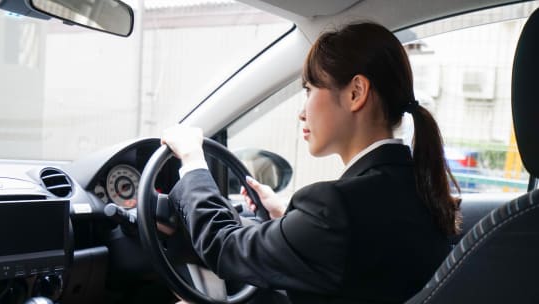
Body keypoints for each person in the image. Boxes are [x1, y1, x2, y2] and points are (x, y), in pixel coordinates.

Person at [161, 22, 462, 304]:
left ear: (356, 93)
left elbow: (223, 247)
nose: (302, 112)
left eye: (309, 90)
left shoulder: (335, 207)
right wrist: (285, 220)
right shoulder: (417, 188)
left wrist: (192, 162)